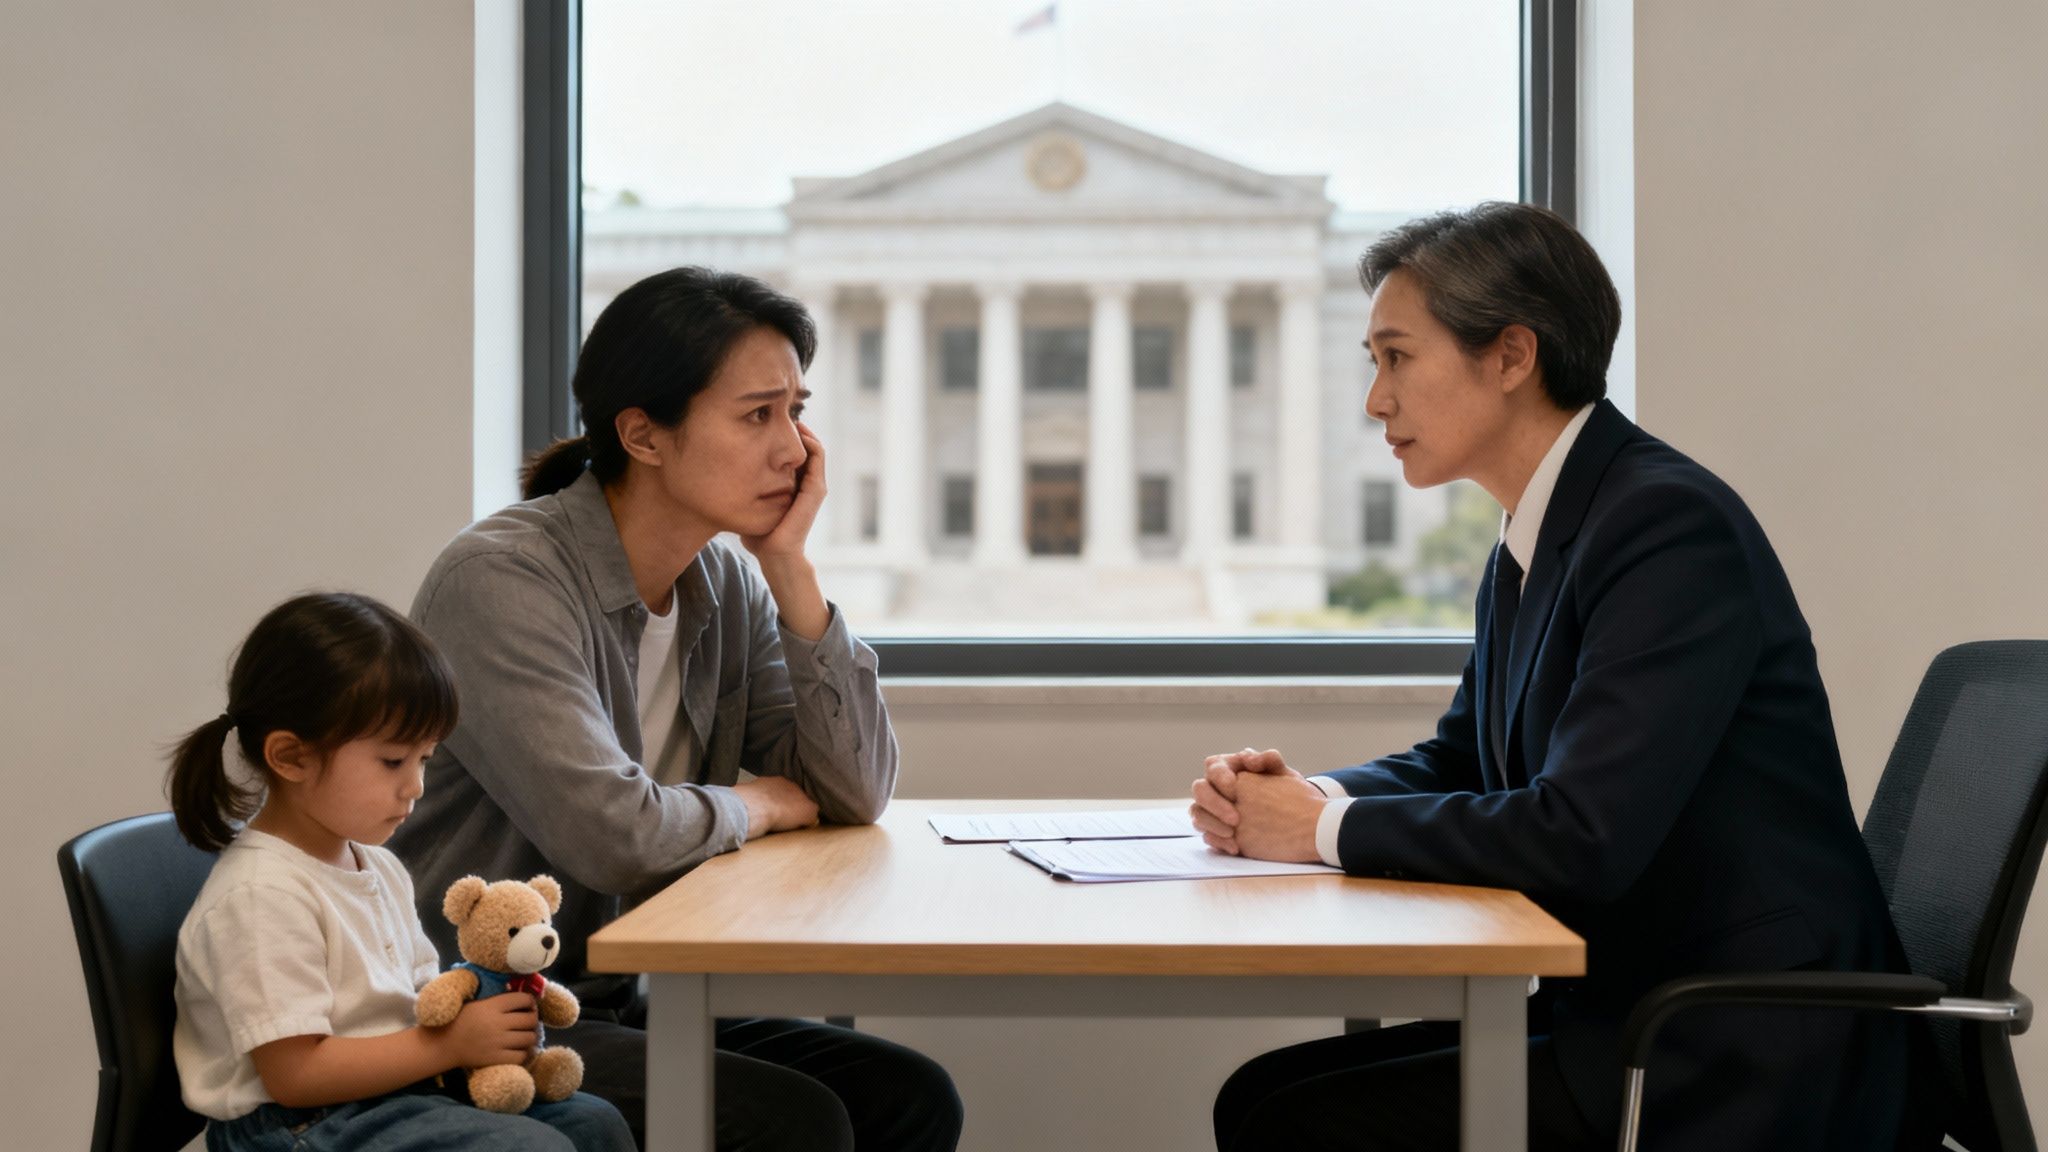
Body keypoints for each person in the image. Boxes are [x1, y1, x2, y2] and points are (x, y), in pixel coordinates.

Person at [1191, 202, 1921, 1151]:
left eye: (1396, 358)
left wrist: (1321, 831)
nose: (1376, 400)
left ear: (1509, 357)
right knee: (1260, 1098)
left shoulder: (1663, 527)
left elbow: (1581, 835)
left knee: (1293, 1121)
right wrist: (1303, 797)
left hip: (1739, 1045)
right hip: (1632, 1008)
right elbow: (1463, 757)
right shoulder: (1545, 529)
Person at [389, 267, 962, 1151]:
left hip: (599, 1003)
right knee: (793, 1124)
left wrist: (792, 572)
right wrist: (756, 804)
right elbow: (611, 837)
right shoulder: (502, 582)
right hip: (464, 1017)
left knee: (906, 1093)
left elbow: (853, 792)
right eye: (756, 415)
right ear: (643, 436)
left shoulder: (725, 580)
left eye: (796, 410)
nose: (795, 449)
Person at [167, 592, 635, 1152]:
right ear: (291, 757)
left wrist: (483, 1015)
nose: (414, 786)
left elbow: (417, 999)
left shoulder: (380, 865)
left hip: (392, 1093)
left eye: (424, 759)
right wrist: (451, 1047)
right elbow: (295, 1075)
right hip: (295, 1124)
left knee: (593, 1123)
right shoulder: (260, 895)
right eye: (393, 761)